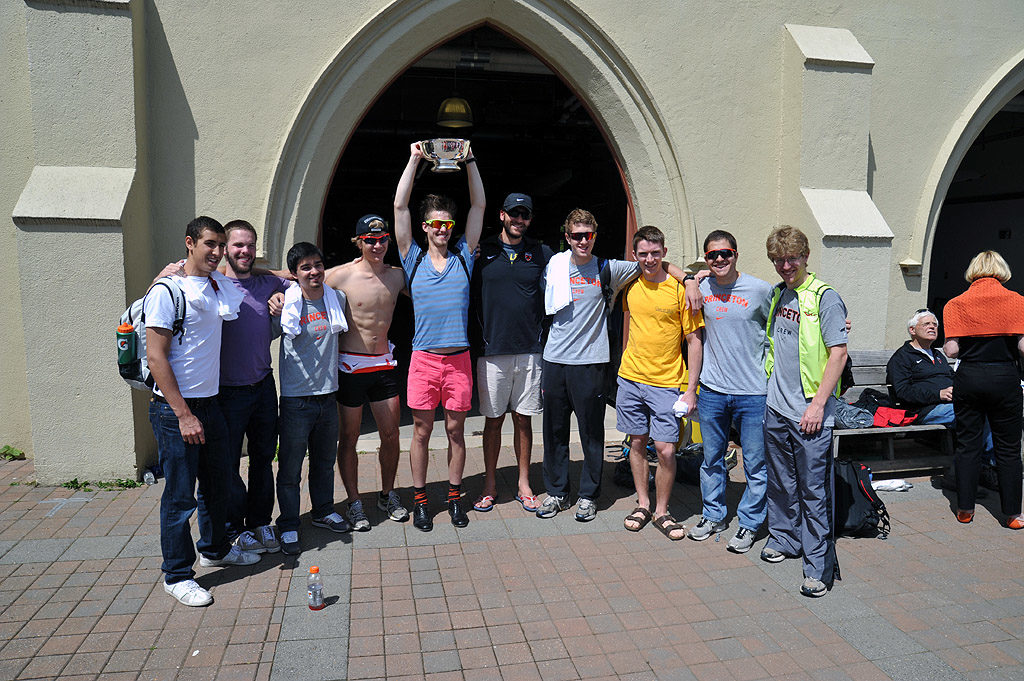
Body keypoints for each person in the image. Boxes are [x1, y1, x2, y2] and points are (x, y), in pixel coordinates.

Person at [538, 209, 689, 521]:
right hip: (555, 360)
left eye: (588, 235)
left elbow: (653, 262)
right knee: (554, 432)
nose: (583, 241)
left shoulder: (609, 268)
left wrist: (688, 278)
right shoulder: (554, 265)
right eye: (576, 235)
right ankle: (556, 492)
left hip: (591, 363)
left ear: (594, 236)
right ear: (567, 238)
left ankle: (588, 495)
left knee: (591, 434)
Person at [145, 216, 257, 607]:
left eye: (221, 245)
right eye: (210, 244)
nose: (217, 252)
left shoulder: (216, 284)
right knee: (179, 497)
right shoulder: (167, 290)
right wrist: (183, 414)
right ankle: (177, 575)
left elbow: (256, 270)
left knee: (217, 485)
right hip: (176, 410)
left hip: (212, 404)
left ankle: (214, 549)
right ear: (190, 243)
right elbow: (156, 357)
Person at [394, 142, 485, 532]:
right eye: (435, 224)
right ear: (425, 227)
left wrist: (471, 160)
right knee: (421, 431)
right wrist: (414, 159)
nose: (442, 230)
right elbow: (399, 208)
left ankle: (453, 498)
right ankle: (419, 502)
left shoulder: (465, 254)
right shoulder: (412, 258)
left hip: (459, 360)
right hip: (424, 360)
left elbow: (479, 207)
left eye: (448, 224)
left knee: (455, 431)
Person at [760, 225, 848, 598]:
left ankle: (818, 567)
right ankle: (784, 539)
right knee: (780, 483)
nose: (785, 266)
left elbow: (838, 354)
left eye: (791, 258)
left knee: (814, 491)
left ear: (805, 256)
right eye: (778, 260)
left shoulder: (825, 298)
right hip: (776, 409)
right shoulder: (778, 295)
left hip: (810, 412)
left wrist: (817, 405)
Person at [685, 229, 774, 553]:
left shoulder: (761, 290)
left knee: (755, 463)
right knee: (711, 459)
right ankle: (713, 516)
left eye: (726, 253)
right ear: (705, 259)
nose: (720, 259)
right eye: (713, 255)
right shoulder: (701, 287)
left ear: (736, 254)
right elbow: (672, 268)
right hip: (712, 390)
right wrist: (691, 279)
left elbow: (783, 325)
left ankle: (750, 524)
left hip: (753, 393)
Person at [619, 226, 704, 540]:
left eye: (655, 253)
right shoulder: (630, 284)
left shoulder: (681, 290)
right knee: (637, 443)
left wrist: (691, 388)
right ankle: (643, 504)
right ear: (635, 256)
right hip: (630, 377)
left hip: (667, 382)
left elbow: (694, 342)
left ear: (664, 253)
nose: (650, 259)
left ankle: (662, 511)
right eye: (643, 254)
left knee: (666, 449)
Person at [325, 214, 409, 530]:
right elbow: (295, 278)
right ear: (359, 241)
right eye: (370, 240)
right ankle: (355, 502)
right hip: (351, 365)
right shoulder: (340, 275)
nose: (377, 245)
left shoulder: (398, 276)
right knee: (349, 437)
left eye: (382, 239)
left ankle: (387, 494)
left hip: (384, 364)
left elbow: (434, 287)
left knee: (391, 434)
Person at [471, 193, 553, 513]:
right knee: (493, 421)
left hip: (530, 350)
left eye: (525, 215)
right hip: (492, 350)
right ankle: (490, 484)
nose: (520, 220)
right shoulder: (482, 251)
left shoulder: (541, 252)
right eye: (514, 214)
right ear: (502, 215)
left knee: (523, 420)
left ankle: (523, 483)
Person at [217, 220, 290, 555]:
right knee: (228, 463)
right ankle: (234, 529)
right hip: (225, 391)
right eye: (237, 246)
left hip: (263, 385)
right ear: (224, 248)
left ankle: (260, 522)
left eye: (249, 245)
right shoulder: (211, 283)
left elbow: (298, 276)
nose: (244, 252)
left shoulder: (267, 282)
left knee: (263, 458)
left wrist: (278, 292)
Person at [274, 242, 352, 555]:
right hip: (296, 399)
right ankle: (289, 523)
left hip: (327, 396)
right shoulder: (285, 304)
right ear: (294, 274)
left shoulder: (337, 298)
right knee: (291, 467)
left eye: (317, 265)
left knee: (323, 462)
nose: (313, 271)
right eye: (305, 267)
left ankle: (322, 511)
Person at [941, 251, 1024, 529]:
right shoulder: (1018, 301)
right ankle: (1012, 514)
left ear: (973, 270)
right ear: (1001, 270)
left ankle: (965, 509)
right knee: (1009, 448)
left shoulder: (956, 303)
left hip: (970, 376)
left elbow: (951, 350)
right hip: (1004, 376)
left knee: (968, 444)